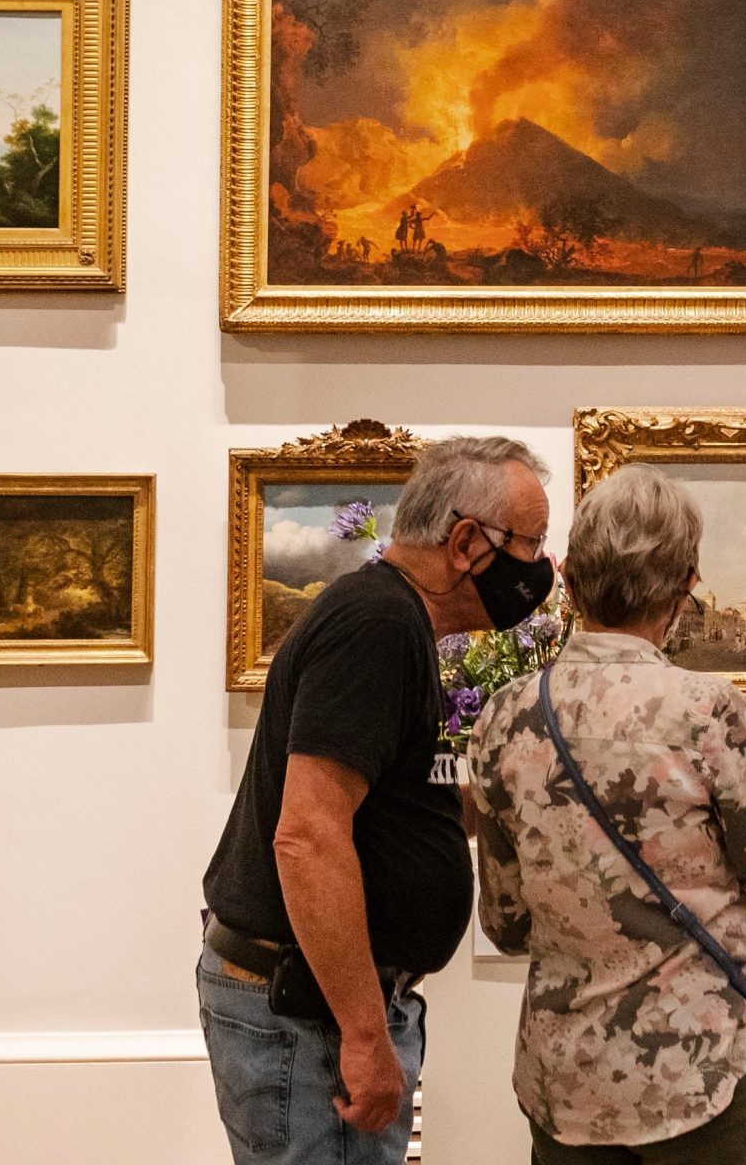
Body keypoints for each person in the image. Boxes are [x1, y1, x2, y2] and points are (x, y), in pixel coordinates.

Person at [199, 436, 557, 1165]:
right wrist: (363, 1036)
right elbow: (308, 835)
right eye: (530, 544)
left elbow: (393, 800)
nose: (539, 569)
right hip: (310, 1016)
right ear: (466, 542)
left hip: (316, 1007)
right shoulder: (378, 626)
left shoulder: (396, 623)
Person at [466, 465, 746, 1165]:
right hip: (708, 1072)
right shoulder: (708, 712)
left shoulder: (507, 717)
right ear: (684, 588)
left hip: (566, 1083)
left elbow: (505, 923)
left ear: (568, 579)